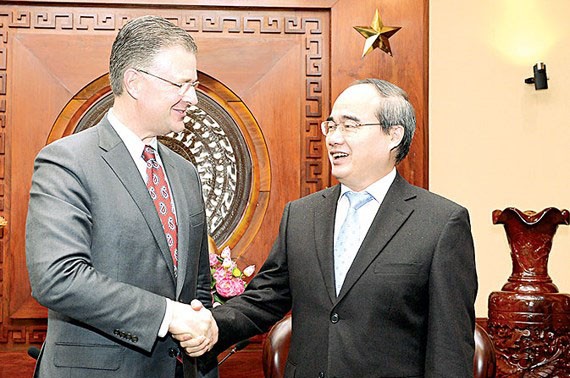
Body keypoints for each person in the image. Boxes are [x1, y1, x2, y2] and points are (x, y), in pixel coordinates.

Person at [179, 78, 478, 377]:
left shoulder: (440, 223)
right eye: (331, 126)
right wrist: (212, 325)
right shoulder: (301, 215)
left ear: (393, 135)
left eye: (350, 126)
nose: (334, 138)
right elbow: (266, 297)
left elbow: (450, 349)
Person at [25, 15, 217, 378]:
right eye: (182, 84)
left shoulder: (184, 172)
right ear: (135, 83)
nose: (191, 98)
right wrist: (166, 314)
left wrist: (202, 328)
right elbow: (57, 277)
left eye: (194, 85)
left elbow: (198, 284)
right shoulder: (67, 161)